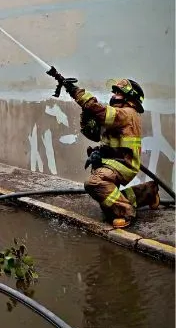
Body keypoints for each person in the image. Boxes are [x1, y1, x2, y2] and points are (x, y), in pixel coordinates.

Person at [64, 77, 159, 228]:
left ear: (130, 97)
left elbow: (101, 111)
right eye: (114, 92)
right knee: (107, 202)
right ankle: (148, 191)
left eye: (118, 93)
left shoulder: (127, 113)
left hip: (124, 164)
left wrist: (76, 92)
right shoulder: (118, 115)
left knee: (95, 183)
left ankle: (126, 212)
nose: (114, 95)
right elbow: (93, 135)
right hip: (113, 161)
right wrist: (86, 113)